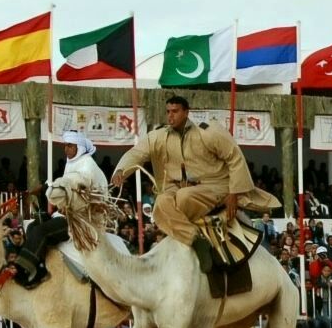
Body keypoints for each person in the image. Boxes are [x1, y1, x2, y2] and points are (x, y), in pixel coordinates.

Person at [111, 96, 280, 272]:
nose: (170, 116)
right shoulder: (159, 136)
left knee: (183, 197)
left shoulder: (208, 131)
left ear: (186, 112)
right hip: (178, 186)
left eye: (175, 111)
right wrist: (121, 170)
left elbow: (235, 158)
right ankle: (194, 239)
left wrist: (234, 193)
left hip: (215, 185)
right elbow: (137, 153)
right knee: (160, 203)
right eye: (168, 112)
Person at [14, 130, 109, 287]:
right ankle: (39, 268)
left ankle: (24, 272)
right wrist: (43, 187)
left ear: (78, 147)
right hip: (67, 214)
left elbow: (76, 187)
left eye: (70, 146)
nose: (66, 149)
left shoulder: (87, 167)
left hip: (82, 220)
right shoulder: (72, 163)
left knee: (40, 231)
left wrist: (66, 202)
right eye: (65, 146)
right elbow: (64, 183)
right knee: (32, 226)